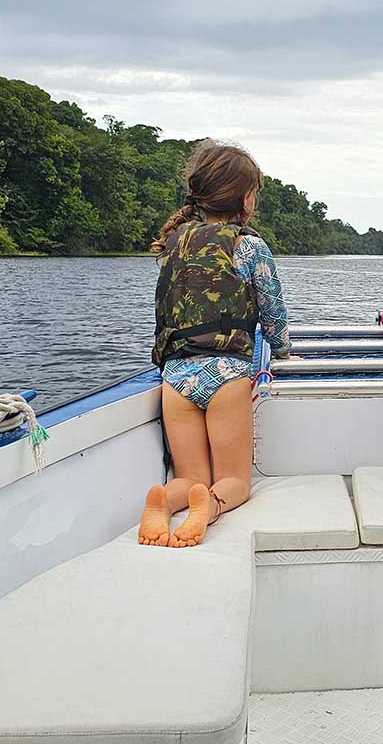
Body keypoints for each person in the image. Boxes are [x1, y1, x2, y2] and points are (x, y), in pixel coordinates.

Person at [138, 140, 292, 547]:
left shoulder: (172, 244)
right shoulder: (249, 245)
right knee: (234, 479)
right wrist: (281, 349)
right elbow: (272, 311)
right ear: (245, 198)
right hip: (227, 375)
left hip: (176, 379)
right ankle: (212, 507)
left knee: (189, 477)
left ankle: (167, 500)